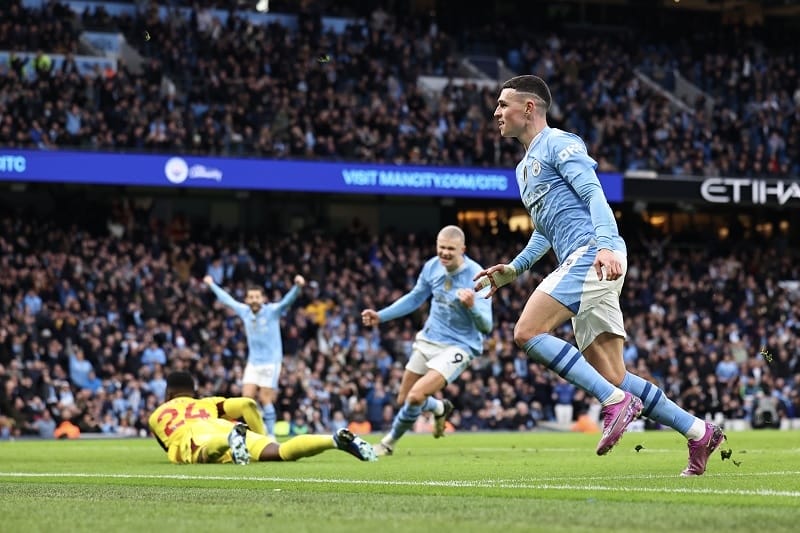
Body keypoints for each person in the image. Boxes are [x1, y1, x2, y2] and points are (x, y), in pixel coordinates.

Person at [474, 75, 725, 476]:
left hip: (593, 254)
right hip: (584, 259)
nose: (495, 112)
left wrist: (605, 244)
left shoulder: (560, 143)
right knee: (614, 375)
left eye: (503, 105)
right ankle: (698, 431)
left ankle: (612, 403)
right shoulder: (524, 168)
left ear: (528, 108)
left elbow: (594, 193)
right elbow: (545, 229)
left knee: (526, 332)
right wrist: (515, 269)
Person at [361, 225, 492, 456]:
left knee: (415, 396)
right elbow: (414, 299)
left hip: (459, 346)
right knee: (404, 398)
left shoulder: (478, 277)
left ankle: (387, 444)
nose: (444, 253)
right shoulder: (432, 267)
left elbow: (486, 326)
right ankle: (440, 408)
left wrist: (472, 307)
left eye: (451, 249)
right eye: (441, 247)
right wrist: (380, 316)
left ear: (463, 249)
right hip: (428, 339)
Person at [148, 371, 377, 464]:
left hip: (195, 434)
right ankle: (334, 440)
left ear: (168, 393)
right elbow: (248, 403)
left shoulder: (157, 415)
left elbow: (166, 444)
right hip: (220, 423)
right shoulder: (206, 403)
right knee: (281, 451)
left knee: (204, 453)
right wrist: (262, 437)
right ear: (194, 392)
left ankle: (230, 439)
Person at [204, 274, 305, 438]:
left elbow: (288, 301)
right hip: (253, 362)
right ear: (246, 299)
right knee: (246, 399)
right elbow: (227, 300)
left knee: (265, 398)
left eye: (257, 297)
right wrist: (211, 285)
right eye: (251, 297)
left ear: (263, 298)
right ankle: (259, 427)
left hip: (271, 362)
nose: (254, 300)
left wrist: (298, 287)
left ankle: (270, 435)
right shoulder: (245, 312)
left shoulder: (272, 311)